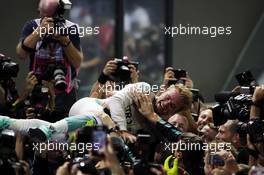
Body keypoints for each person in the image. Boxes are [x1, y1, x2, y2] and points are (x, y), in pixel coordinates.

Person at [16, 0, 83, 116]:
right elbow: (21, 54)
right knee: (36, 126)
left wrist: (64, 40)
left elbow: (77, 62)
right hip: (38, 87)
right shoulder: (32, 26)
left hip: (63, 88)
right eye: (45, 16)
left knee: (63, 128)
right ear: (39, 12)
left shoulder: (70, 28)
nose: (49, 20)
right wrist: (39, 31)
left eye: (51, 16)